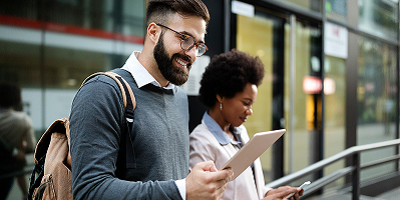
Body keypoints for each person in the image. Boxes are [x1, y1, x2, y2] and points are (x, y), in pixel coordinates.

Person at [69, 0, 233, 200]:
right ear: (153, 32)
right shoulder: (102, 91)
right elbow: (89, 191)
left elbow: (167, 178)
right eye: (185, 39)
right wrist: (182, 190)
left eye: (198, 45)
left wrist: (196, 183)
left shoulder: (179, 96)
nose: (191, 53)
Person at [189, 49, 304, 200]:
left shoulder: (240, 132)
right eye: (246, 103)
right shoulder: (200, 143)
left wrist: (269, 194)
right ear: (221, 96)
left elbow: (245, 187)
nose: (250, 112)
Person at [0, 82, 36, 200]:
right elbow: (32, 146)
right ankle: (26, 195)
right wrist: (20, 148)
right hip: (10, 168)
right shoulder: (23, 119)